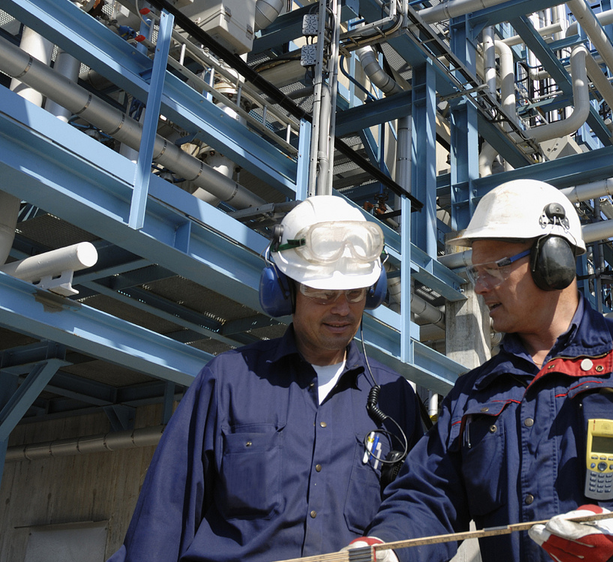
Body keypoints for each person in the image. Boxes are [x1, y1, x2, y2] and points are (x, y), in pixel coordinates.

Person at [352, 179, 613, 562]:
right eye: (475, 272)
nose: (480, 287)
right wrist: (390, 545)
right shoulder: (473, 395)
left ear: (552, 262)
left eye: (493, 269)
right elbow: (429, 495)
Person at [108, 195, 426, 562]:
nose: (342, 308)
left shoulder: (393, 397)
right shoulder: (227, 380)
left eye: (355, 293)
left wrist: (394, 545)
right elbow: (165, 514)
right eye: (323, 293)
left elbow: (421, 503)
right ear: (286, 290)